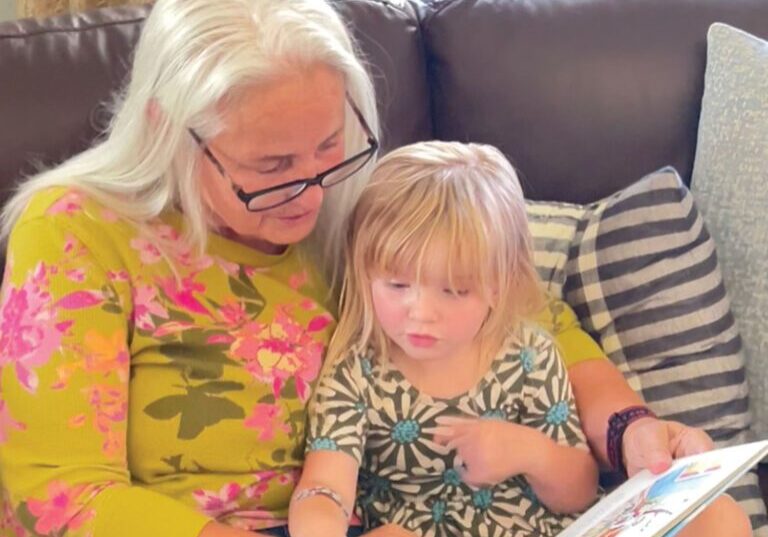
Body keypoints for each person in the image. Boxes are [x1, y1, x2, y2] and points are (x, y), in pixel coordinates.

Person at [0, 0, 750, 536]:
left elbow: (523, 309)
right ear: (168, 129)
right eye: (273, 167)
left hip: (401, 520)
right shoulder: (79, 232)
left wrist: (632, 430)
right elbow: (58, 495)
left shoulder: (354, 199)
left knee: (714, 517)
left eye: (331, 143)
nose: (315, 190)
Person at [290, 141, 600, 537]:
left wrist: (530, 451)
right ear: (364, 272)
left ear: (500, 284)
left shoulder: (529, 355)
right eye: (397, 284)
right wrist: (320, 525)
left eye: (453, 290)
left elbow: (578, 492)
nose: (420, 312)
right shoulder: (356, 371)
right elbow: (326, 486)